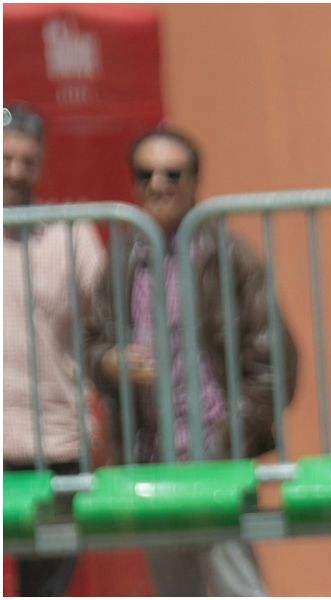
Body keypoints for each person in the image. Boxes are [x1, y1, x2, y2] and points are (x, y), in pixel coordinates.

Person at [84, 128, 298, 596]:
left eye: (172, 174)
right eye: (146, 174)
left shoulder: (226, 255)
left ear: (194, 181)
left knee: (236, 583)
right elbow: (92, 343)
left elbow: (275, 358)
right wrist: (111, 362)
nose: (158, 184)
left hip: (214, 453)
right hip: (150, 457)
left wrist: (233, 429)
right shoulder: (121, 260)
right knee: (174, 586)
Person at [3, 104, 107, 595]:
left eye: (28, 160)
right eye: (6, 158)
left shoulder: (73, 233)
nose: (15, 171)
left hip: (57, 443)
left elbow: (108, 327)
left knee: (46, 591)